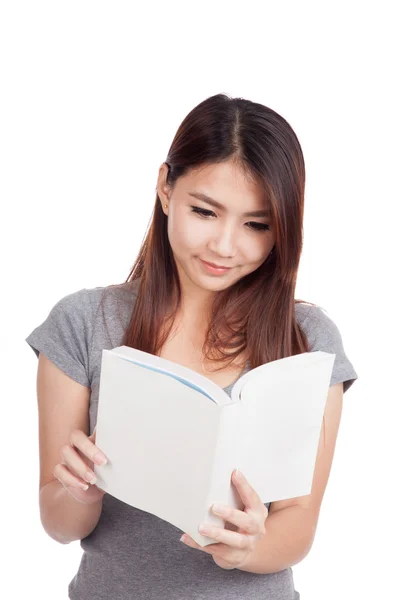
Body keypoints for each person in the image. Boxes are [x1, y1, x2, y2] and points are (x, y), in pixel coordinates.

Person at [25, 93, 358, 600]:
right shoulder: (83, 323)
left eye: (257, 225)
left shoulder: (308, 339)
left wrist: (250, 549)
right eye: (205, 211)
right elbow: (58, 522)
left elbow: (299, 522)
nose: (225, 246)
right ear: (165, 188)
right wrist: (80, 493)